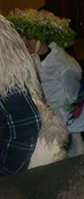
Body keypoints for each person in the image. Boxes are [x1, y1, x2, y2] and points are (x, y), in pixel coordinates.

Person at [8, 8, 84, 157]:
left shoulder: (64, 64)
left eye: (29, 37)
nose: (25, 42)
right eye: (23, 37)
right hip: (39, 120)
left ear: (41, 38)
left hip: (62, 122)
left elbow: (74, 96)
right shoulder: (28, 61)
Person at [0, 14, 67, 175]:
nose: (27, 41)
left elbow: (25, 127)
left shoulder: (9, 84)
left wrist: (6, 174)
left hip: (54, 119)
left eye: (30, 37)